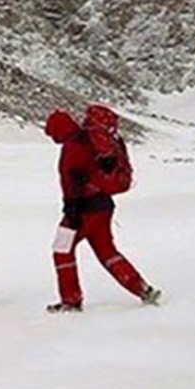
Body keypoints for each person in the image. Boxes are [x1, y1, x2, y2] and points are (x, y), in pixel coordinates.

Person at [43, 109, 160, 312]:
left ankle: (71, 301)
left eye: (52, 133)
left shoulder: (73, 146)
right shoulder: (89, 140)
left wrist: (71, 212)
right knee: (107, 252)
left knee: (61, 250)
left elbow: (70, 180)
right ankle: (142, 289)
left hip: (83, 208)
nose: (52, 138)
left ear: (58, 130)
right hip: (103, 205)